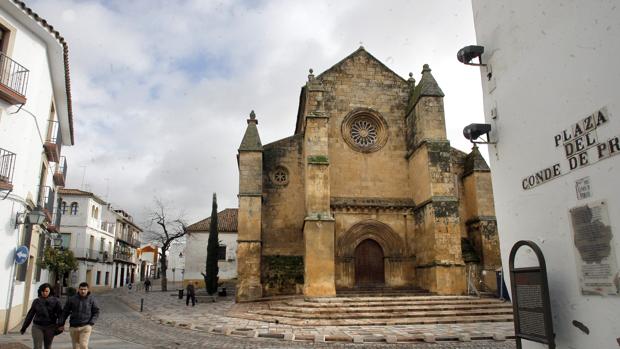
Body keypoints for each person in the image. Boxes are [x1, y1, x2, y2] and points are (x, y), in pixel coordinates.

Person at [20, 283, 63, 349]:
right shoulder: (36, 301)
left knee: (47, 347)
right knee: (37, 347)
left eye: (46, 291)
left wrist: (60, 325)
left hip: (50, 327)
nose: (44, 293)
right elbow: (30, 315)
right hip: (37, 326)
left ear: (50, 291)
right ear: (40, 291)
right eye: (43, 291)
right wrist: (24, 327)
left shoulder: (56, 301)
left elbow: (60, 314)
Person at [59, 282, 99, 349]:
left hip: (86, 326)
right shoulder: (72, 299)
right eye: (81, 289)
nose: (83, 291)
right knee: (76, 347)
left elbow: (96, 312)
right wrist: (61, 324)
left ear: (88, 290)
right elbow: (65, 312)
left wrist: (91, 322)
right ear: (78, 289)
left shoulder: (92, 300)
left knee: (83, 345)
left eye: (85, 289)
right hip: (73, 326)